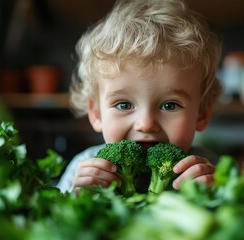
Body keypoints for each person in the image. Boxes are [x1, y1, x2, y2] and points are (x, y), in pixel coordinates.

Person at [57, 0, 222, 193]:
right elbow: (52, 221)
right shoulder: (83, 168)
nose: (146, 124)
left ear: (201, 114)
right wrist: (77, 200)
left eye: (169, 105)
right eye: (124, 105)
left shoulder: (208, 170)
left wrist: (215, 197)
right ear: (96, 113)